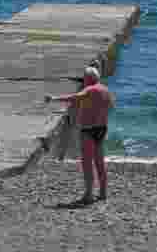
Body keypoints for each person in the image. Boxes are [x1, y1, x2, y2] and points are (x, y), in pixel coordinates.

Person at [46, 66, 115, 205]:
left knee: (87, 163)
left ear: (88, 78)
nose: (83, 81)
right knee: (99, 162)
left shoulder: (90, 89)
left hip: (88, 130)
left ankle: (89, 194)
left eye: (84, 78)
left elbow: (74, 98)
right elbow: (111, 107)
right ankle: (102, 193)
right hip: (102, 129)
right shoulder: (106, 90)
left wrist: (54, 98)